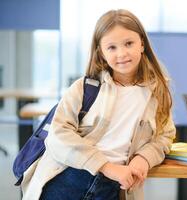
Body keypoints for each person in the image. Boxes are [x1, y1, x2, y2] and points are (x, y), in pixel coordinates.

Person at [21, 9, 176, 200]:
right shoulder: (84, 88)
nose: (122, 53)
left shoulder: (157, 91)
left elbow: (165, 136)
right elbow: (57, 136)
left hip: (114, 187)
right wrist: (107, 167)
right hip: (67, 178)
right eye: (112, 47)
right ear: (101, 52)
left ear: (142, 44)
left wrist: (143, 159)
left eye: (129, 43)